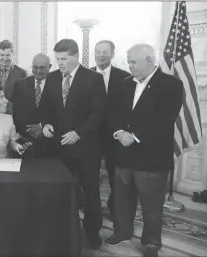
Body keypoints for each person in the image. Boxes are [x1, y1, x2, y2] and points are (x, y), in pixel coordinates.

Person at [105, 44, 183, 257]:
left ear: (149, 61)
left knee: (151, 204)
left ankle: (151, 242)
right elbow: (112, 113)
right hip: (122, 152)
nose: (129, 66)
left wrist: (135, 136)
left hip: (152, 157)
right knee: (122, 199)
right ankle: (121, 232)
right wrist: (119, 132)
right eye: (128, 62)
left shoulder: (171, 85)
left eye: (133, 62)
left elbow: (165, 118)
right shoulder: (123, 84)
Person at [40, 39, 107, 250]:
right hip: (59, 149)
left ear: (75, 56)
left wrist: (78, 133)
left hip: (86, 149)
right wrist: (46, 124)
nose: (59, 63)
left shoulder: (93, 78)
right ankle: (62, 229)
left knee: (90, 192)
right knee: (61, 191)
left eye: (63, 58)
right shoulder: (51, 79)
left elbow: (99, 113)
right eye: (57, 59)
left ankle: (92, 233)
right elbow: (44, 108)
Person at [90, 40, 131, 224]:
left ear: (113, 54)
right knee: (90, 175)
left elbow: (127, 108)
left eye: (105, 52)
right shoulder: (85, 75)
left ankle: (116, 209)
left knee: (116, 176)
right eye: (98, 52)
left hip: (116, 136)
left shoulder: (125, 77)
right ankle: (91, 207)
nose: (101, 55)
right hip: (91, 135)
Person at [12, 53, 56, 158]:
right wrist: (29, 130)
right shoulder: (20, 85)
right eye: (35, 67)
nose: (38, 71)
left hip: (50, 142)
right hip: (26, 141)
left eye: (42, 68)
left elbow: (59, 112)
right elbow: (17, 112)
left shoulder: (57, 84)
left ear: (49, 67)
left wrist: (42, 127)